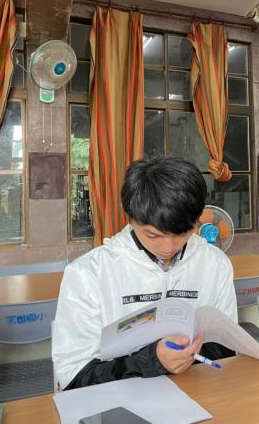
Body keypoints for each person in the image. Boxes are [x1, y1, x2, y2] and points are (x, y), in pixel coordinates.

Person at [52, 156, 237, 390]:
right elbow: (73, 377)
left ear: (198, 219)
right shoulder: (88, 274)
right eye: (152, 235)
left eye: (182, 234)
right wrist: (151, 360)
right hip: (117, 402)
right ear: (129, 217)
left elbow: (227, 347)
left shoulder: (215, 264)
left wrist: (190, 354)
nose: (167, 248)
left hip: (195, 393)